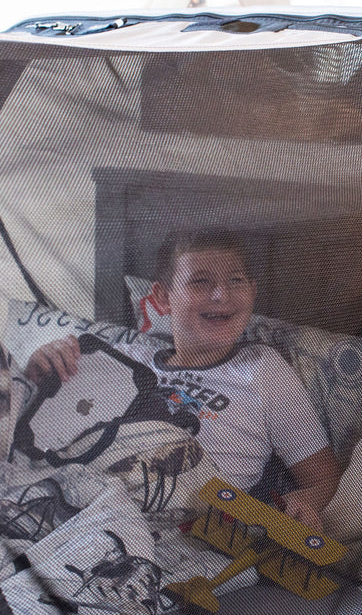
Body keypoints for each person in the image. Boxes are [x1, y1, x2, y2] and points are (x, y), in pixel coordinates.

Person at [25, 228, 342, 533]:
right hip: (83, 489)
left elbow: (324, 480)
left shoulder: (262, 369)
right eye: (201, 282)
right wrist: (41, 371)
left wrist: (303, 501)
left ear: (252, 292)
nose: (221, 294)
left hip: (177, 518)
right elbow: (48, 430)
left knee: (174, 440)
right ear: (163, 297)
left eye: (236, 280)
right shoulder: (124, 357)